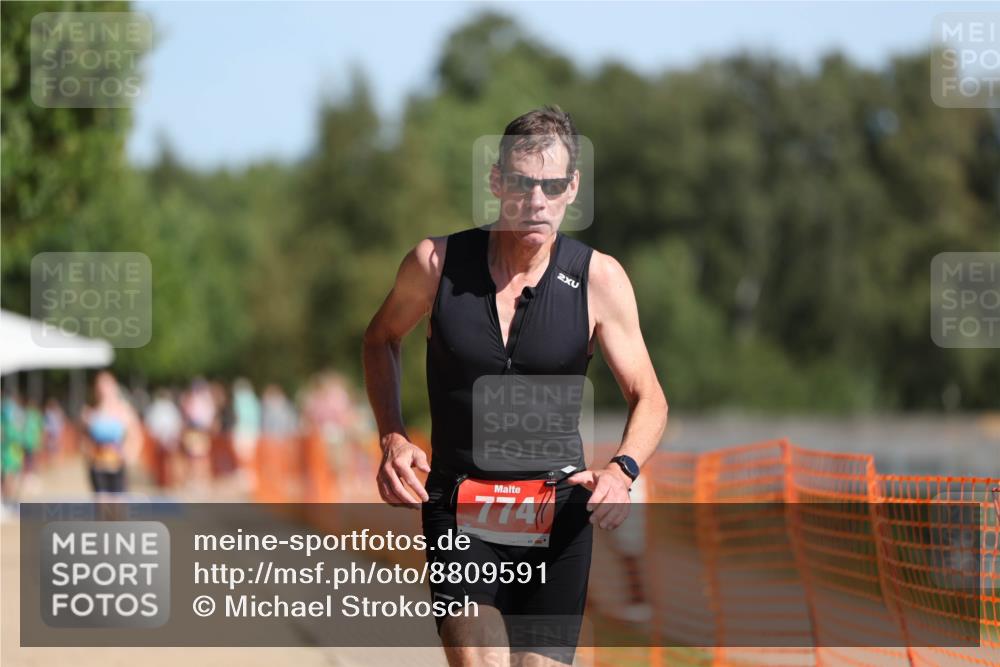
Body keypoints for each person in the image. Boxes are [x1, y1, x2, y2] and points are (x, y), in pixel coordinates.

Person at [363, 106, 668, 666]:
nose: (536, 201)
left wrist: (623, 470)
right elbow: (380, 339)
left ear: (572, 188)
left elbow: (649, 397)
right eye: (523, 184)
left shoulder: (599, 279)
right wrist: (393, 437)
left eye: (552, 186)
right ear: (496, 182)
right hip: (461, 506)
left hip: (558, 512)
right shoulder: (435, 263)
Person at [81, 371, 141, 495]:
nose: (104, 390)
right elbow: (84, 439)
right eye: (101, 386)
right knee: (102, 504)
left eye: (107, 386)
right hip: (97, 465)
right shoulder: (91, 412)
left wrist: (130, 454)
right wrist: (87, 454)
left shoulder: (124, 410)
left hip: (118, 465)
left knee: (117, 505)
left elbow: (136, 435)